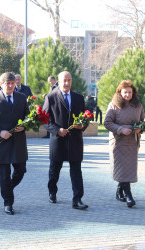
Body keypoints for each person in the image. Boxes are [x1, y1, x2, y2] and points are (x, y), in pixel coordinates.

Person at [0, 72, 29, 215]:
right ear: (1, 84)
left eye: (12, 83)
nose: (10, 86)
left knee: (21, 171)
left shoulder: (21, 98)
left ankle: (7, 188)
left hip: (19, 141)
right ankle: (8, 203)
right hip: (2, 142)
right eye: (7, 83)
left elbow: (27, 116)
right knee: (4, 175)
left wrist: (25, 125)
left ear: (15, 83)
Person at [43, 71, 89, 210]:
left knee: (76, 171)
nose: (67, 83)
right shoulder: (51, 98)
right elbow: (44, 120)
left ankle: (77, 199)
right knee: (54, 170)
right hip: (58, 140)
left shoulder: (78, 98)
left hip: (75, 140)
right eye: (64, 80)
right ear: (58, 81)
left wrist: (83, 125)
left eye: (69, 80)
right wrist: (57, 130)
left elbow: (86, 117)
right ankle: (52, 192)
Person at [104, 80, 145, 208]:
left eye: (130, 92)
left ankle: (119, 191)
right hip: (118, 142)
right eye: (125, 92)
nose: (127, 95)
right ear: (120, 92)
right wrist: (121, 129)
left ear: (133, 93)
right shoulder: (114, 105)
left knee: (129, 168)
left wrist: (140, 128)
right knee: (122, 167)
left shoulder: (138, 105)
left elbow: (143, 121)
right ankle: (128, 195)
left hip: (132, 141)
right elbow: (107, 122)